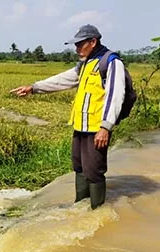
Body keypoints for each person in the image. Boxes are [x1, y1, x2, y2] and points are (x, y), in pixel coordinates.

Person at [11, 24, 126, 209]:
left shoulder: (111, 62)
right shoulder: (86, 63)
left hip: (96, 128)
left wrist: (105, 127)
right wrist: (34, 88)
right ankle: (80, 209)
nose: (76, 48)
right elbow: (64, 79)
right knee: (79, 168)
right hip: (80, 126)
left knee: (94, 171)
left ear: (93, 42)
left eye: (80, 44)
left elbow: (115, 96)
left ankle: (98, 213)